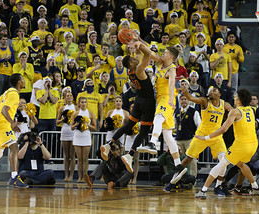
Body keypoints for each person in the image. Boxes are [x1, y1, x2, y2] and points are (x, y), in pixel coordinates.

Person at [194, 88, 259, 199]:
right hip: (253, 144)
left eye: (236, 97)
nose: (234, 98)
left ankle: (203, 190)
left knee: (221, 165)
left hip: (241, 145)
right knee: (241, 164)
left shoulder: (235, 112)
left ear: (239, 100)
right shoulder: (252, 109)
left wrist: (206, 137)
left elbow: (223, 129)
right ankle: (256, 188)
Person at [100, 39, 156, 175]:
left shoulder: (131, 71)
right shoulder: (139, 69)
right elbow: (148, 55)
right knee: (144, 131)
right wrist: (142, 45)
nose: (135, 58)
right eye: (132, 59)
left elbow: (138, 55)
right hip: (147, 102)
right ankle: (130, 154)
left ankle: (108, 144)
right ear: (131, 63)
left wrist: (136, 43)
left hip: (138, 100)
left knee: (129, 125)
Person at [165, 86, 231, 193]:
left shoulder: (225, 104)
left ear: (219, 94)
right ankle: (172, 182)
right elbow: (191, 98)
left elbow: (233, 113)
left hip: (216, 137)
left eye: (214, 91)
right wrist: (185, 91)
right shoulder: (205, 101)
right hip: (201, 135)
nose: (211, 92)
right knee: (187, 160)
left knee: (224, 161)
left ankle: (218, 187)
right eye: (210, 91)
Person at [137, 46, 187, 181]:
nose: (162, 54)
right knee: (167, 135)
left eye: (165, 53)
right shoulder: (160, 62)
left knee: (158, 117)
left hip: (167, 99)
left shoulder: (171, 69)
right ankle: (178, 165)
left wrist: (171, 100)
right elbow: (149, 52)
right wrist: (139, 41)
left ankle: (152, 143)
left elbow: (172, 85)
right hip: (160, 99)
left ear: (171, 56)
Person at [0, 73, 28, 187]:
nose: (24, 81)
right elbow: (4, 110)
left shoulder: (8, 92)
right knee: (14, 147)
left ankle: (14, 177)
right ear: (19, 82)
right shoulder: (14, 94)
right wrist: (12, 122)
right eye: (22, 79)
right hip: (2, 123)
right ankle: (14, 177)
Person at [71, 97, 97, 182]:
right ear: (79, 103)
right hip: (77, 136)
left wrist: (87, 124)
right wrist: (77, 124)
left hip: (86, 136)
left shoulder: (91, 114)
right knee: (79, 159)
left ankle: (85, 177)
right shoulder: (75, 114)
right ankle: (79, 177)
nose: (84, 104)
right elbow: (71, 127)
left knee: (85, 158)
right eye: (82, 102)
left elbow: (95, 128)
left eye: (85, 102)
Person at [175, 94, 201, 177]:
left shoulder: (193, 111)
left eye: (185, 99)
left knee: (191, 158)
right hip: (178, 139)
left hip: (189, 139)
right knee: (179, 159)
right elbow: (174, 125)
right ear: (179, 101)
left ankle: (193, 176)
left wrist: (196, 137)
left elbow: (199, 125)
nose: (184, 101)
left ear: (189, 101)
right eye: (182, 99)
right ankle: (181, 177)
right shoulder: (177, 112)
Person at [56, 91, 78, 182]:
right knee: (66, 155)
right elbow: (57, 122)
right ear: (65, 97)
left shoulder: (76, 108)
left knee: (72, 155)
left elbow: (79, 119)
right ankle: (66, 175)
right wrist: (63, 120)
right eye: (67, 96)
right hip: (65, 131)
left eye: (71, 95)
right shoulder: (62, 108)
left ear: (73, 97)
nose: (69, 97)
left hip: (73, 132)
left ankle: (71, 175)